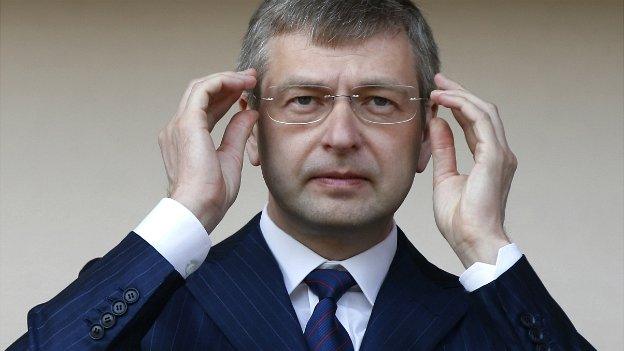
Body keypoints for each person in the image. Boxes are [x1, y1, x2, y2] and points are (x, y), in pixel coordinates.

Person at [8, 0, 595, 350]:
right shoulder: (150, 305)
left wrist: (485, 246)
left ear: (427, 138)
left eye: (380, 103)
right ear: (253, 130)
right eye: (305, 101)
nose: (341, 136)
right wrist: (183, 214)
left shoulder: (495, 317)